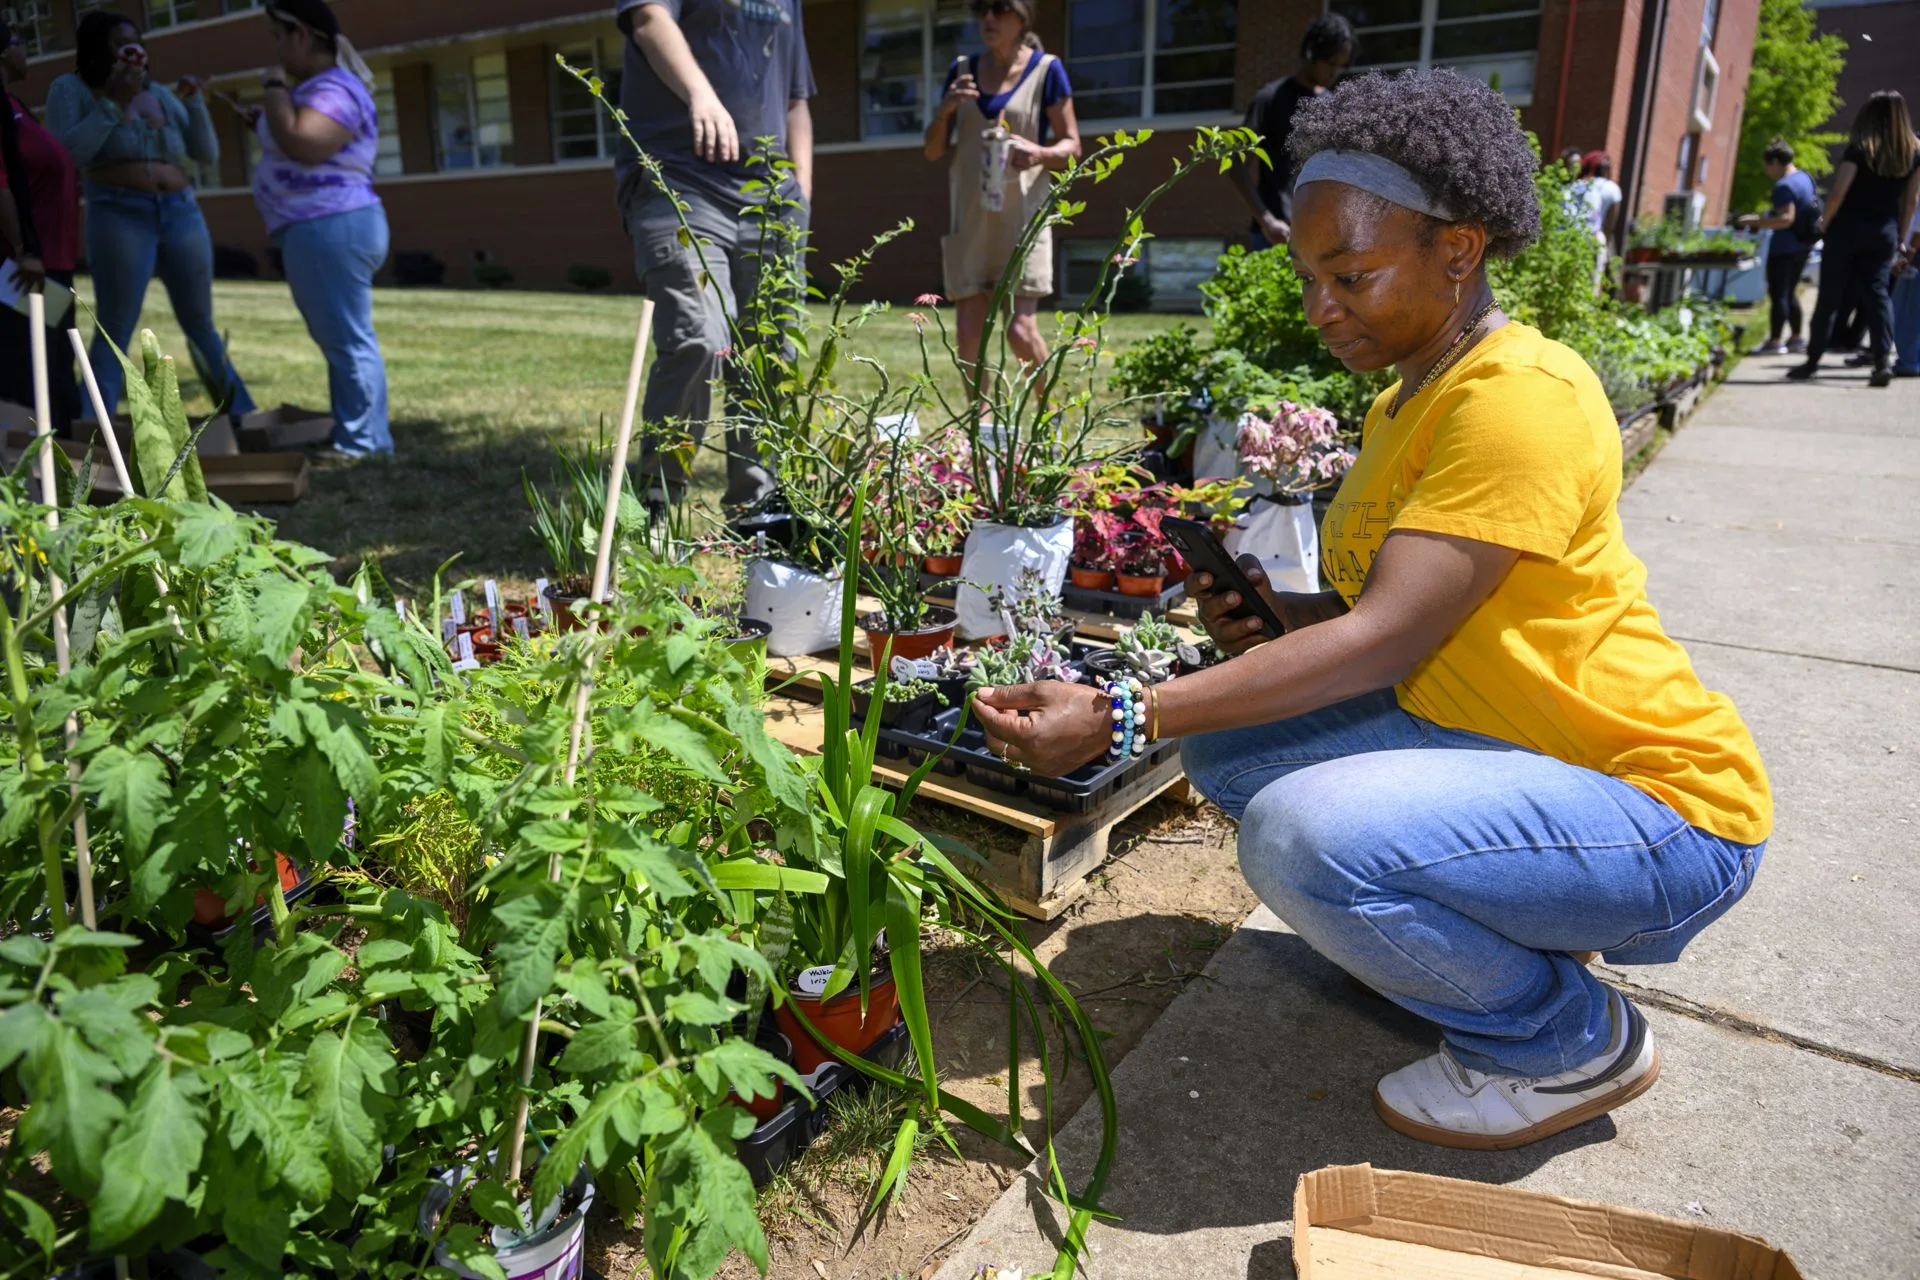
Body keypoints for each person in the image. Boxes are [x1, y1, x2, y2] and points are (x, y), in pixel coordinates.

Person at [973, 68, 1770, 1152]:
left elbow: (1388, 636)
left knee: (1307, 836)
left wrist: (1127, 715)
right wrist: (1272, 611)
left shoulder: (1521, 400)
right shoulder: (1410, 393)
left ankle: (1563, 1039)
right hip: (1520, 756)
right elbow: (1388, 609)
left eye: (1353, 274)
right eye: (1307, 275)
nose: (1320, 306)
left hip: (1662, 811)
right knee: (1239, 749)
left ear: (1460, 250)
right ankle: (1509, 935)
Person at [615, 0, 815, 508]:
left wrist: (801, 194)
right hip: (681, 180)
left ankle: (756, 508)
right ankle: (660, 505)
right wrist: (699, 93)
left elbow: (795, 102)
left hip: (770, 198)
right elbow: (648, 18)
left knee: (771, 354)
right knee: (698, 337)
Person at [46, 11, 253, 425]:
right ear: (96, 49)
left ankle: (243, 417)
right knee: (116, 327)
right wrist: (115, 104)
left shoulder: (158, 92)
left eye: (136, 41)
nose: (131, 51)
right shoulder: (71, 90)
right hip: (120, 213)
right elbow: (67, 155)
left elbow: (206, 154)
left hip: (181, 212)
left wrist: (194, 103)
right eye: (118, 43)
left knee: (200, 324)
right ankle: (93, 426)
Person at [248, 0, 390, 458]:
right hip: (323, 226)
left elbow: (305, 143)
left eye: (277, 36)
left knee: (348, 338)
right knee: (340, 338)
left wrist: (273, 89)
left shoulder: (336, 89)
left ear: (301, 36)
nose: (275, 48)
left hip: (330, 225)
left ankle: (366, 441)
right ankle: (355, 432)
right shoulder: (323, 88)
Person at [923, 0, 1079, 371]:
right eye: (981, 9)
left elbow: (1072, 146)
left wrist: (1040, 153)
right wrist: (945, 111)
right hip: (973, 218)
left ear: (1022, 16)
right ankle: (981, 425)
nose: (988, 18)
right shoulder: (962, 72)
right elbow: (932, 151)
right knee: (967, 333)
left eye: (1000, 8)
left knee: (1020, 332)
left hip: (1022, 217)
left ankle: (1050, 416)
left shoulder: (1047, 71)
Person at [1788, 91, 1920, 387]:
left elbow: (1837, 194)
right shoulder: (1913, 154)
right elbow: (1910, 202)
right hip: (1884, 233)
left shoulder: (1859, 150)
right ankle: (1881, 362)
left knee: (1830, 297)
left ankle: (1812, 361)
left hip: (1846, 231)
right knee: (1878, 295)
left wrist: (1824, 223)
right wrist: (1901, 236)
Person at [0, 17, 80, 434]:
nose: (24, 47)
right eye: (18, 40)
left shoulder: (13, 105)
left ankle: (65, 473)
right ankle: (34, 478)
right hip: (20, 270)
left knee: (55, 367)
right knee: (31, 372)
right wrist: (22, 250)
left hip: (48, 263)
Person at [1232, 15, 1355, 249]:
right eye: (1330, 63)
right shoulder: (1269, 99)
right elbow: (1236, 166)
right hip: (1273, 235)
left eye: (1342, 65)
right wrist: (1267, 220)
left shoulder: (1332, 106)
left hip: (1318, 235)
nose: (1335, 72)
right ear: (1310, 52)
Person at [1736, 139, 1819, 355]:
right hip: (1803, 245)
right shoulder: (1805, 178)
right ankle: (1796, 338)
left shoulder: (1784, 185)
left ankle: (1774, 342)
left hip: (1785, 247)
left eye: (1767, 165)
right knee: (1790, 292)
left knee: (1779, 293)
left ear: (1775, 161)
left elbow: (1785, 218)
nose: (1767, 171)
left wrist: (1755, 222)